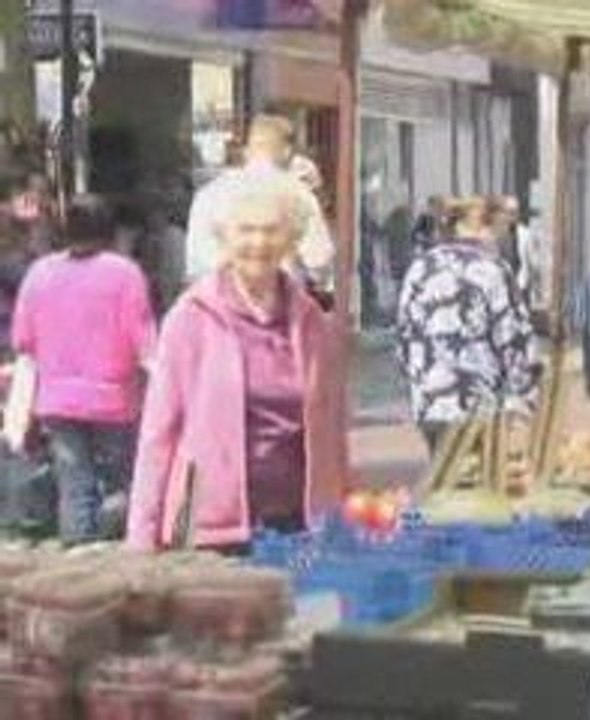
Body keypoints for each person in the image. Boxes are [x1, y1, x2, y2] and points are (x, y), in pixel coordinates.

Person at [126, 172, 349, 552]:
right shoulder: (190, 317)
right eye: (246, 230)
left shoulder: (311, 321)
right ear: (224, 237)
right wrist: (141, 536)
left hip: (297, 525)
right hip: (208, 530)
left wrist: (341, 521)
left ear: (291, 240)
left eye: (271, 230)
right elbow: (158, 432)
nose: (258, 242)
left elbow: (333, 431)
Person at [10, 195, 156, 544]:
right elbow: (145, 343)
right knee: (121, 478)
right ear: (109, 229)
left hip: (57, 399)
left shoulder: (40, 273)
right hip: (114, 400)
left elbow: (23, 339)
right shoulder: (125, 274)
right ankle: (113, 538)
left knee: (73, 479)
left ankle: (77, 543)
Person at [397, 196, 539, 453]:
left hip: (430, 402)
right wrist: (525, 397)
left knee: (441, 468)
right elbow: (513, 339)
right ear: (488, 228)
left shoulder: (419, 269)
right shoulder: (492, 269)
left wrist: (420, 379)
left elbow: (404, 337)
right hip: (476, 402)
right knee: (475, 473)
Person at [184, 114, 334, 286]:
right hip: (275, 297)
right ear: (287, 151)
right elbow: (319, 262)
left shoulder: (209, 194)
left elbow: (195, 265)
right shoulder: (298, 194)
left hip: (217, 297)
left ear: (248, 150)